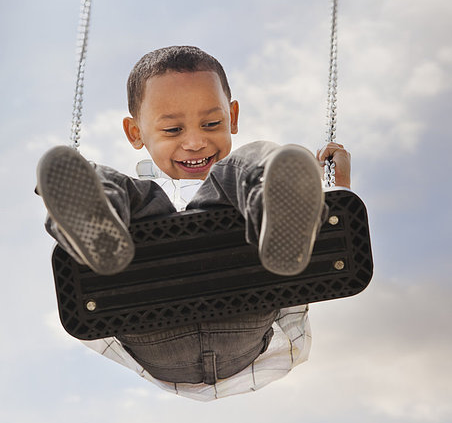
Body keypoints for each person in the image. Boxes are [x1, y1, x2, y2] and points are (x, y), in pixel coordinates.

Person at [37, 45, 351, 401]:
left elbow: (334, 241)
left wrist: (331, 190)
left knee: (244, 164)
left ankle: (273, 212)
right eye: (172, 129)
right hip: (162, 317)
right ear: (135, 132)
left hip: (209, 319)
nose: (195, 141)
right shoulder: (145, 195)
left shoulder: (229, 184)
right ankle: (92, 232)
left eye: (212, 124)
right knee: (110, 184)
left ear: (232, 116)